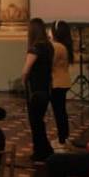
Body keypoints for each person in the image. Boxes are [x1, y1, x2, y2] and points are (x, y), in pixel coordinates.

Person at [22, 18, 55, 162]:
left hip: (35, 90)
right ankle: (46, 149)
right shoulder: (49, 47)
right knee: (39, 121)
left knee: (35, 123)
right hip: (45, 88)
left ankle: (40, 151)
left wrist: (23, 82)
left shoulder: (35, 48)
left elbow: (26, 70)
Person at [50, 20, 73, 150]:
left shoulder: (56, 46)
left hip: (57, 82)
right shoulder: (64, 46)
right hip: (63, 80)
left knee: (59, 112)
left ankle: (62, 140)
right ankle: (64, 137)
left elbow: (50, 63)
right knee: (61, 112)